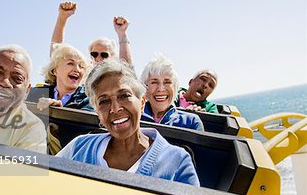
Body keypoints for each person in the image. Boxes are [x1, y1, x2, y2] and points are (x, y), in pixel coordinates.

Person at [57, 59, 200, 186]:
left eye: (124, 96)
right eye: (104, 101)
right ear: (97, 113)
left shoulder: (178, 160)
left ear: (142, 102)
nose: (115, 108)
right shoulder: (79, 146)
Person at [50, 1, 133, 65]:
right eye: (94, 54)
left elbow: (127, 70)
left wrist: (122, 34)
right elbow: (56, 57)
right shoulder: (82, 76)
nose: (98, 58)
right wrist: (62, 18)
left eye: (104, 55)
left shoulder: (116, 77)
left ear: (112, 56)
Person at [140, 54, 204, 131]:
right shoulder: (135, 118)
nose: (161, 89)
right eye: (154, 82)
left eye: (167, 82)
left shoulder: (191, 122)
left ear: (175, 87)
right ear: (145, 87)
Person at [27, 43, 93, 111]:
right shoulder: (36, 93)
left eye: (81, 66)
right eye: (70, 63)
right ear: (55, 70)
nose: (77, 69)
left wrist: (58, 110)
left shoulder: (89, 99)